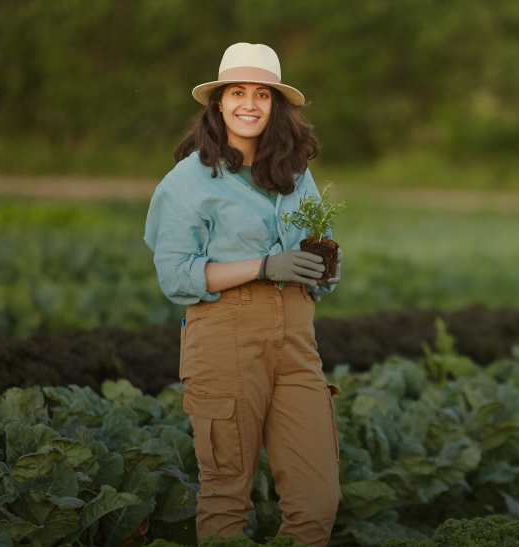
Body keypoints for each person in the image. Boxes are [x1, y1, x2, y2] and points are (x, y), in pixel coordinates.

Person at [144, 43, 343, 546]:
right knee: (227, 496)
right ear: (218, 103)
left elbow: (319, 251)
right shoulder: (189, 180)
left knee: (317, 500)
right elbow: (175, 275)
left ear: (278, 106)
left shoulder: (295, 173)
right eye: (236, 92)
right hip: (225, 336)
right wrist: (262, 266)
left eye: (261, 94)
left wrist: (324, 267)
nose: (248, 103)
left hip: (297, 340)